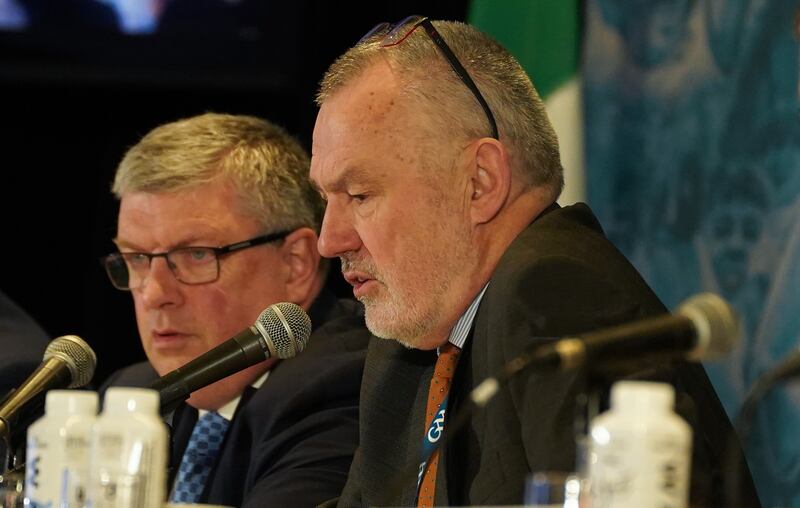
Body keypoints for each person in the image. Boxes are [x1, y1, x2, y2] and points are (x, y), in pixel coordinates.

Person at [309, 16, 761, 507]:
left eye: (359, 194)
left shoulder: (555, 292)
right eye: (326, 199)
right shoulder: (408, 342)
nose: (328, 241)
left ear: (479, 182)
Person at [100, 113, 370, 507]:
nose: (155, 293)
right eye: (137, 258)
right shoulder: (133, 393)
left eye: (196, 254)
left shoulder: (342, 386)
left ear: (295, 262)